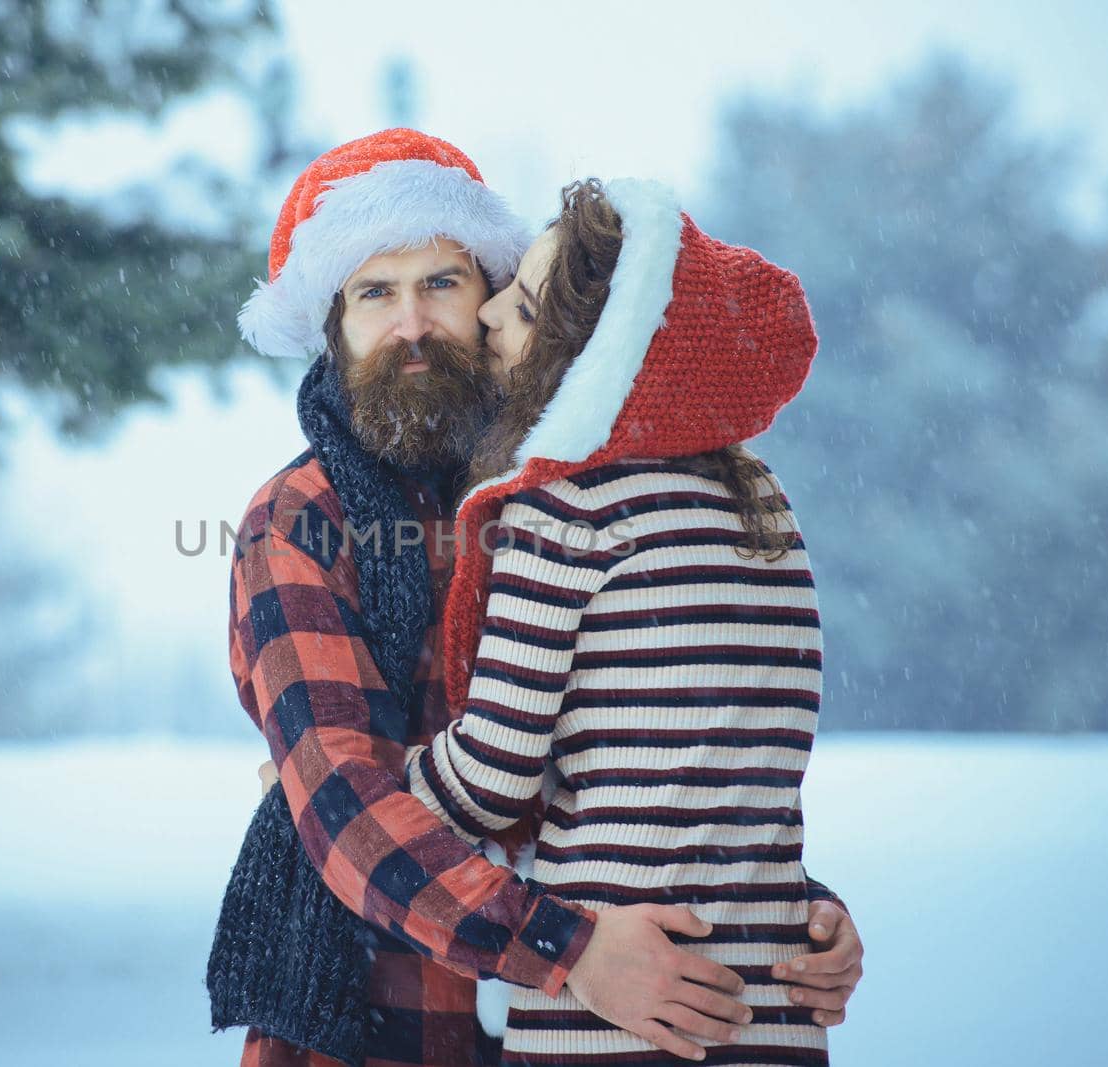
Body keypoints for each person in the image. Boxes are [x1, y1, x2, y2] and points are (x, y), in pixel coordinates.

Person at [218, 129, 859, 1067]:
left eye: (441, 281)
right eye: (373, 292)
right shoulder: (298, 521)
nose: (412, 323)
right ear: (331, 326)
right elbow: (349, 810)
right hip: (383, 1022)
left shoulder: (565, 494)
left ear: (492, 297)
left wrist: (785, 918)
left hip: (613, 1021)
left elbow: (657, 746)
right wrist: (573, 952)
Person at [388, 176, 854, 1064]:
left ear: (585, 359)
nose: (487, 318)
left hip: (610, 1015)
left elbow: (493, 774)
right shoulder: (759, 500)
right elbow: (737, 765)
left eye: (521, 311)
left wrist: (375, 790)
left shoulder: (565, 506)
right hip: (777, 1005)